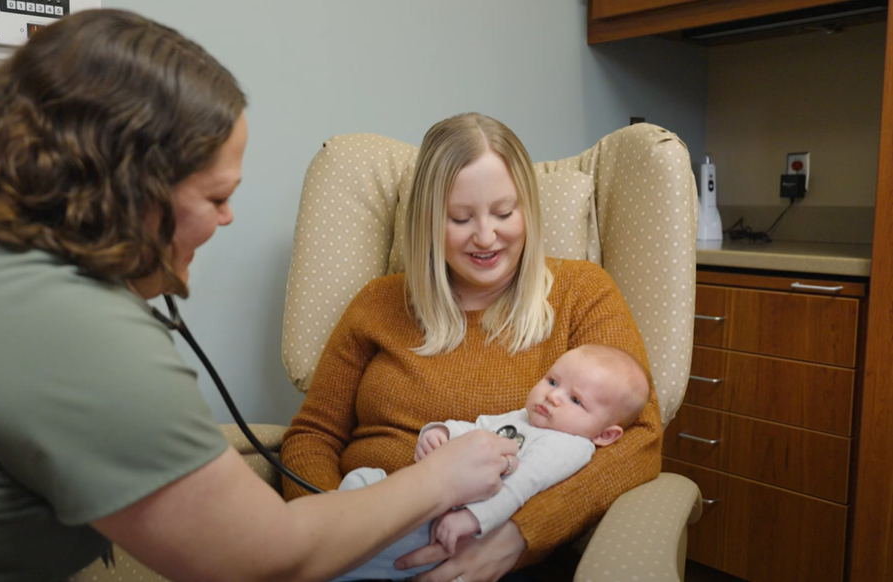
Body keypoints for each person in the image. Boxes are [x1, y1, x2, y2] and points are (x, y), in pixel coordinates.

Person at [0, 10, 521, 582]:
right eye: (216, 197)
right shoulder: (77, 332)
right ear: (130, 193)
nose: (226, 218)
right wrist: (436, 480)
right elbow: (265, 560)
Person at [280, 112, 664, 582]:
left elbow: (641, 440)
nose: (486, 236)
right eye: (460, 218)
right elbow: (312, 437)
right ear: (426, 222)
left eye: (505, 213)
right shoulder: (378, 303)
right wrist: (333, 538)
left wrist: (515, 537)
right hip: (356, 539)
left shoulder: (581, 293)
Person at [328, 344, 650, 582]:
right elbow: (477, 426)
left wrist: (472, 518)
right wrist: (441, 433)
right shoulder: (523, 417)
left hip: (447, 526)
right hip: (423, 495)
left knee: (363, 557)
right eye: (552, 382)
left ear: (606, 435)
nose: (552, 396)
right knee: (362, 481)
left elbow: (524, 484)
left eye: (576, 400)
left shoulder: (570, 445)